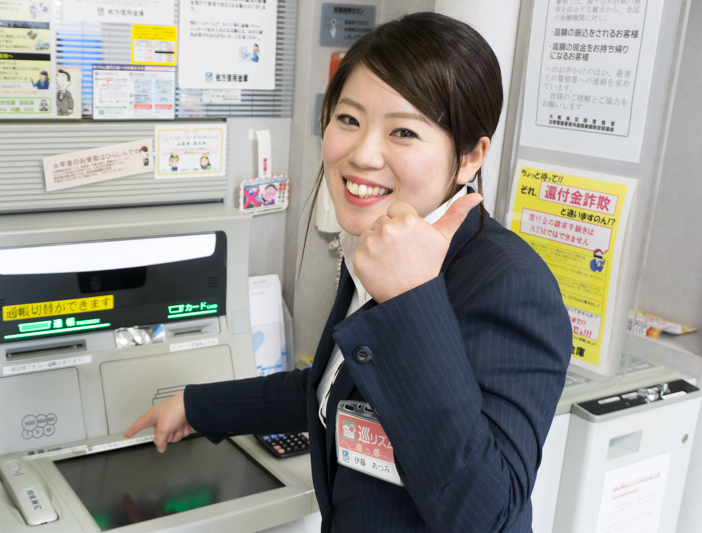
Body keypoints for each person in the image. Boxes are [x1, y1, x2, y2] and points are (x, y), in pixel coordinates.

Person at [126, 12, 571, 533]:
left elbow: (487, 512)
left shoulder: (511, 284)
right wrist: (198, 406)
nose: (362, 154)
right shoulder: (379, 241)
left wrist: (412, 299)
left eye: (403, 131)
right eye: (348, 120)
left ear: (471, 156)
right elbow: (333, 385)